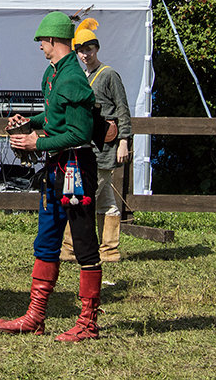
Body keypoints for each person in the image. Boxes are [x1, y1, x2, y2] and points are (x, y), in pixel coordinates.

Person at [0, 12, 102, 341]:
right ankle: (35, 316)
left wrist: (35, 141)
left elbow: (79, 132)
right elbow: (55, 115)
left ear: (54, 41)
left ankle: (88, 323)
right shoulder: (54, 74)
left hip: (76, 169)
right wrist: (31, 121)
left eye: (42, 41)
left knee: (83, 244)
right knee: (46, 240)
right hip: (56, 168)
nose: (40, 47)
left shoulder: (72, 79)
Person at [73, 21, 132, 262]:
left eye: (89, 49)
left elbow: (123, 110)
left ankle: (75, 246)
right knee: (105, 197)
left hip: (105, 144)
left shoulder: (109, 74)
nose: (85, 55)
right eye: (81, 50)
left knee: (88, 192)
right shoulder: (79, 76)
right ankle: (109, 249)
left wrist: (124, 141)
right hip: (86, 143)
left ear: (97, 49)